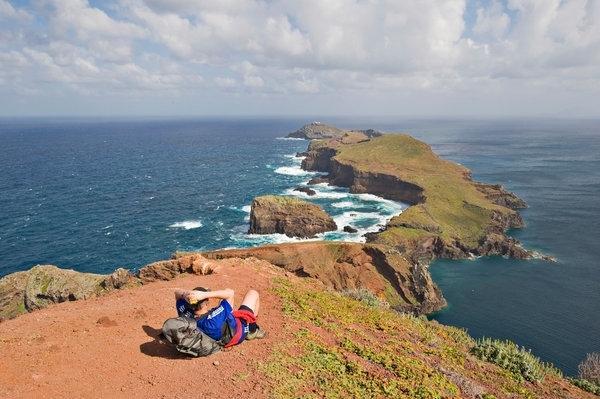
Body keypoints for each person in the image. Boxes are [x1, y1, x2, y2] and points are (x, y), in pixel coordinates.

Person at [174, 286, 266, 347]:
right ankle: (252, 331)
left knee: (223, 301)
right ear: (207, 301)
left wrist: (185, 295)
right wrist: (204, 294)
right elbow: (230, 293)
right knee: (253, 293)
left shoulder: (185, 312)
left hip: (212, 332)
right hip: (237, 332)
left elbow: (176, 292)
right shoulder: (213, 320)